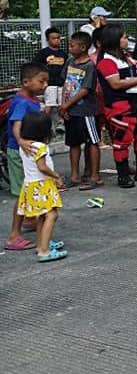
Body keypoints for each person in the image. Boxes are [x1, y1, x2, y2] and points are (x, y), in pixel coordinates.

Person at [95, 25, 137, 188]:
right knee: (122, 139)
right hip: (119, 104)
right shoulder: (106, 60)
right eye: (123, 37)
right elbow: (116, 83)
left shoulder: (125, 57)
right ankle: (123, 174)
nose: (126, 40)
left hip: (135, 101)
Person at [3, 63, 47, 252]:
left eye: (46, 81)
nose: (45, 85)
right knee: (24, 193)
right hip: (20, 151)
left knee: (29, 190)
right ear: (26, 82)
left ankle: (29, 220)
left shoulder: (33, 98)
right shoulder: (21, 102)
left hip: (29, 151)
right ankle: (13, 235)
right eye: (41, 81)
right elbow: (16, 125)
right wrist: (21, 141)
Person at [14, 111, 67, 262]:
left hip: (30, 185)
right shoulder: (41, 147)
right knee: (52, 214)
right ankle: (44, 250)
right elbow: (42, 167)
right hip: (42, 185)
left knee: (42, 215)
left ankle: (42, 243)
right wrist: (56, 175)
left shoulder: (25, 146)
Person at [59, 32, 103, 190]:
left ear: (83, 47)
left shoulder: (90, 66)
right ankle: (74, 175)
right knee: (73, 143)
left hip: (87, 111)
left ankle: (95, 176)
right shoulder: (70, 61)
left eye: (72, 45)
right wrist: (64, 104)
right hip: (72, 110)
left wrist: (66, 104)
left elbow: (85, 89)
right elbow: (66, 83)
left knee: (92, 142)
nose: (69, 48)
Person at [34, 27, 68, 132]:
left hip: (61, 83)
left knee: (62, 105)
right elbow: (36, 66)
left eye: (58, 38)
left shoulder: (63, 54)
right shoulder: (43, 53)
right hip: (50, 84)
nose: (56, 40)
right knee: (50, 104)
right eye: (53, 38)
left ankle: (60, 124)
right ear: (48, 39)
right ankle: (44, 124)